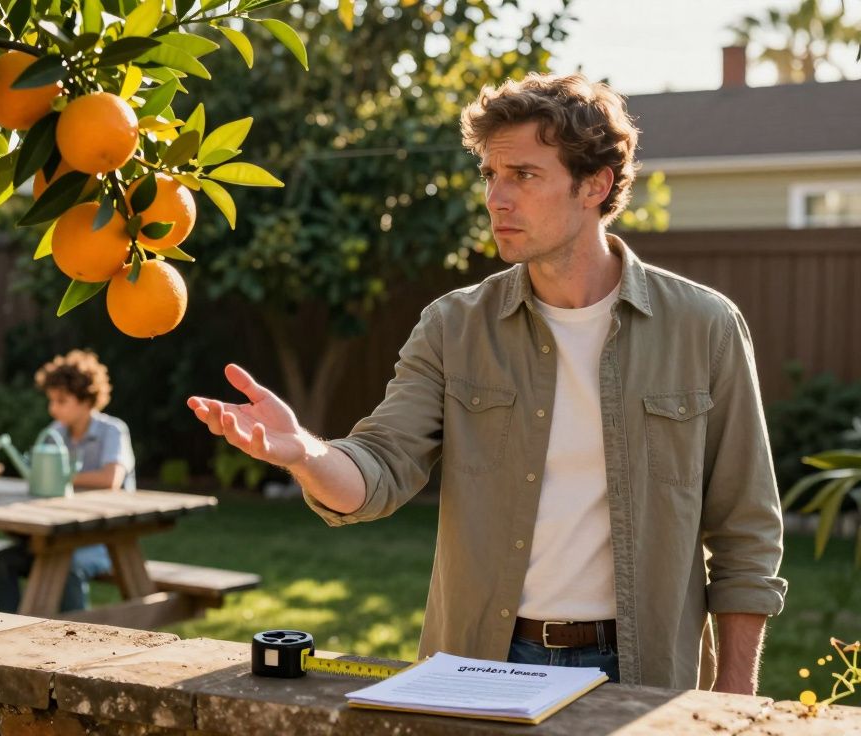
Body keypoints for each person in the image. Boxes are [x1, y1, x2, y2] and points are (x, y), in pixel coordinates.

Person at [187, 73, 786, 694]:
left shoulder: (704, 326)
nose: (496, 198)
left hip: (644, 672)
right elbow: (383, 468)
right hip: (483, 666)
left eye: (523, 175)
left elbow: (746, 530)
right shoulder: (454, 326)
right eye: (491, 176)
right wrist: (308, 454)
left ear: (595, 185)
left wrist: (735, 699)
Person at [0, 349, 136, 613]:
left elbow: (110, 479)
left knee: (67, 568)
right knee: (1, 562)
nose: (52, 408)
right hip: (60, 534)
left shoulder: (112, 431)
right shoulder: (56, 432)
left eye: (61, 400)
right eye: (51, 400)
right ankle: (10, 636)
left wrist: (55, 476)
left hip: (105, 539)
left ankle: (77, 644)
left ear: (86, 400)